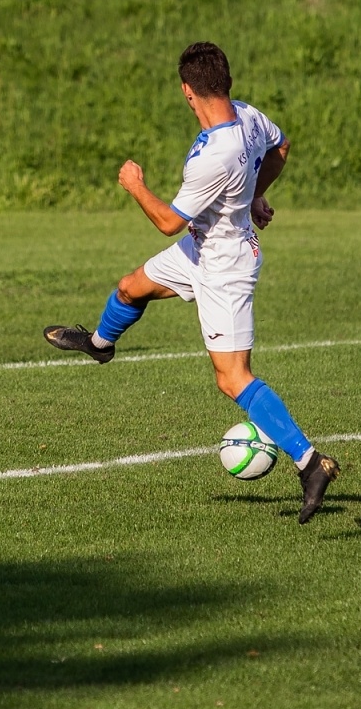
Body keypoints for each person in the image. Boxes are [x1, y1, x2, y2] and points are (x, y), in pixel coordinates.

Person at [43, 41, 339, 523]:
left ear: (187, 91)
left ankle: (310, 464)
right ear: (224, 82)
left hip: (224, 266)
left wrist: (135, 185)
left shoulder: (214, 156)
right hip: (201, 248)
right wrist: (253, 197)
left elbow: (167, 222)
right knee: (129, 287)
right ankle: (99, 343)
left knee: (232, 378)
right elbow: (280, 146)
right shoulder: (247, 115)